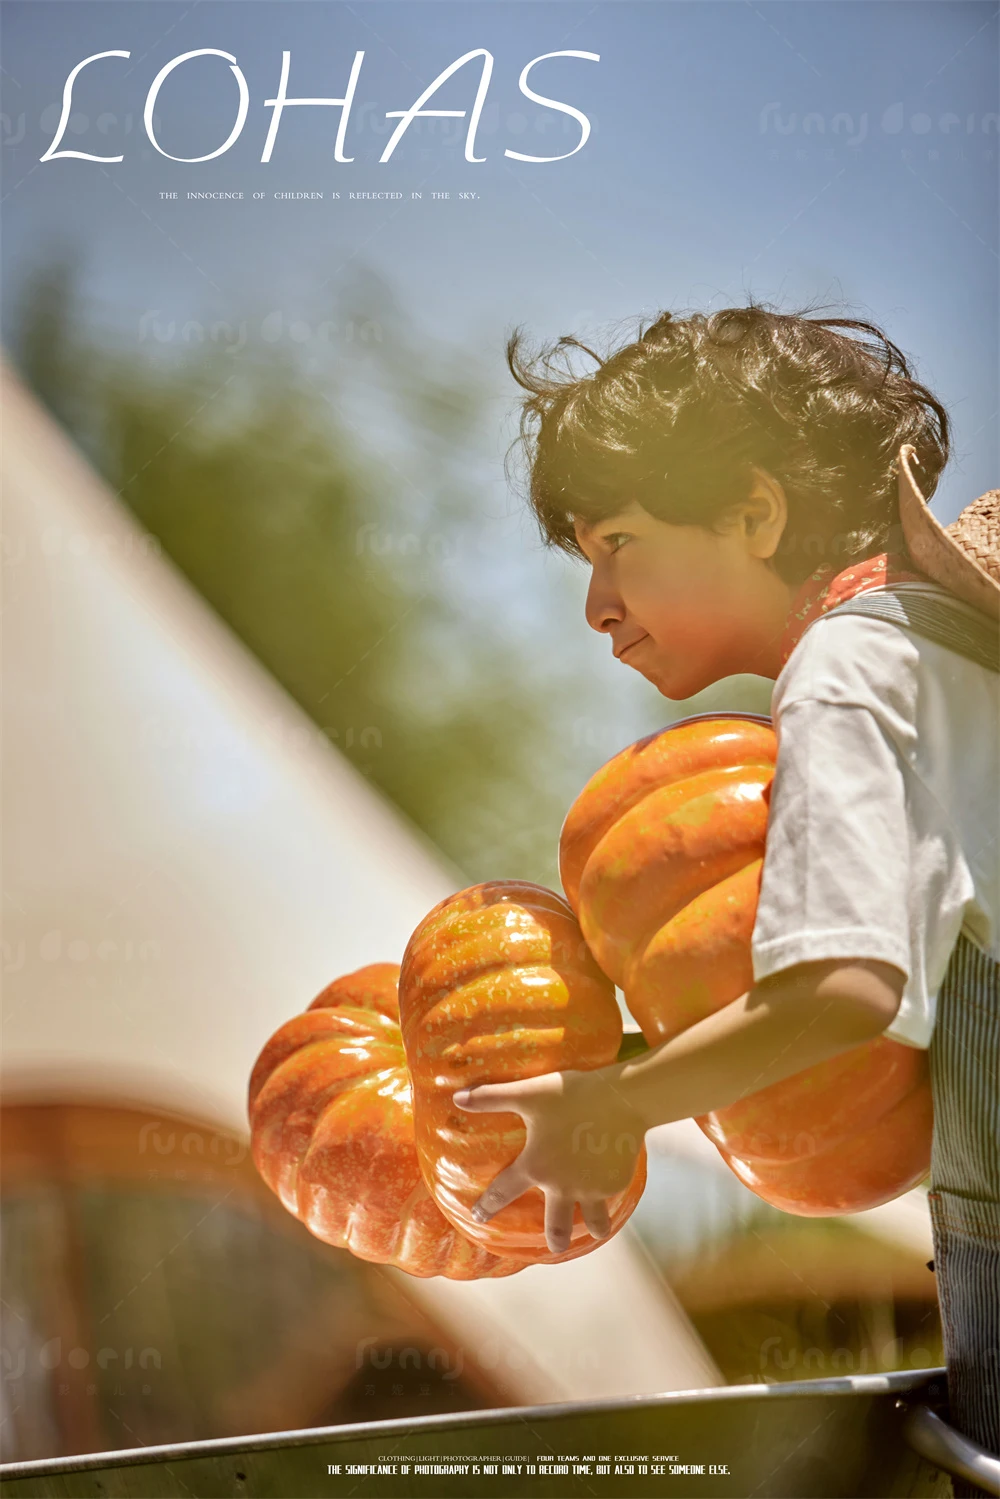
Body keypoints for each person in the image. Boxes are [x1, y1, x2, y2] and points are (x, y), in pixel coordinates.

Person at [451, 302, 999, 1485]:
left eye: (618, 545)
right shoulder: (950, 647)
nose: (596, 604)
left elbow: (844, 989)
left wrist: (619, 1104)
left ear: (752, 512)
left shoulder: (849, 668)